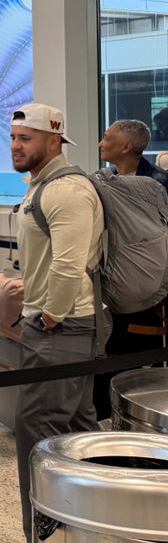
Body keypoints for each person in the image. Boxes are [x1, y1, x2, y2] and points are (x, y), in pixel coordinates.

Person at [4, 103, 103, 543]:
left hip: (63, 328)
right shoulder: (41, 188)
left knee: (38, 431)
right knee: (76, 429)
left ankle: (42, 542)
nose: (17, 146)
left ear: (54, 141)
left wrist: (49, 316)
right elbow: (52, 259)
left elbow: (69, 263)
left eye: (27, 138)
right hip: (61, 324)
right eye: (15, 137)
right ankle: (91, 527)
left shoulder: (66, 191)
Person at [93, 119, 168, 419]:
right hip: (111, 289)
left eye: (107, 138)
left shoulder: (158, 185)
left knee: (133, 367)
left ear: (126, 146)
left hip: (149, 297)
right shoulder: (106, 179)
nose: (101, 143)